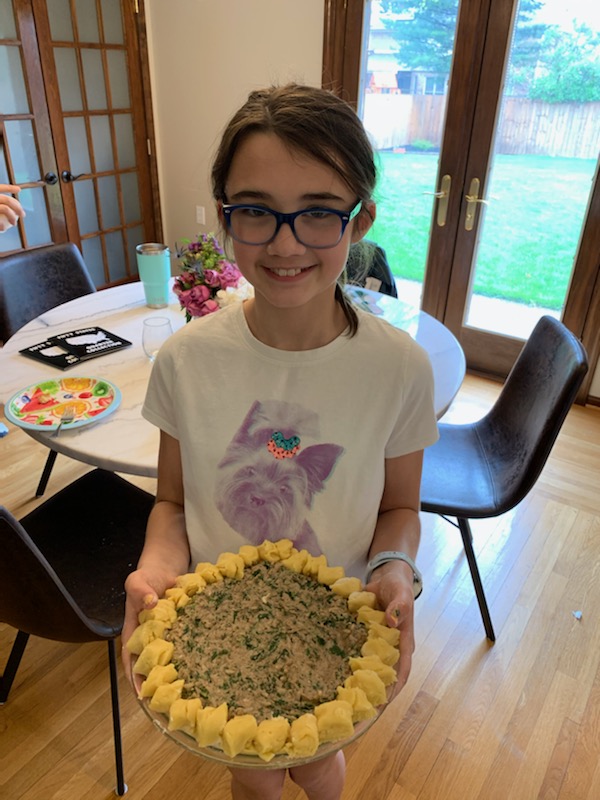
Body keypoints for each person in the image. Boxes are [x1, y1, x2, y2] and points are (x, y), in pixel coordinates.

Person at [123, 83, 438, 800]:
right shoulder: (185, 361)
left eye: (320, 212)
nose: (287, 243)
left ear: (361, 222)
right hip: (229, 636)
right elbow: (171, 504)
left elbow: (400, 512)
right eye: (257, 211)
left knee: (316, 764)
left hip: (334, 630)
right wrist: (154, 567)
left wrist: (394, 569)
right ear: (226, 217)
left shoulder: (398, 370)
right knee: (257, 774)